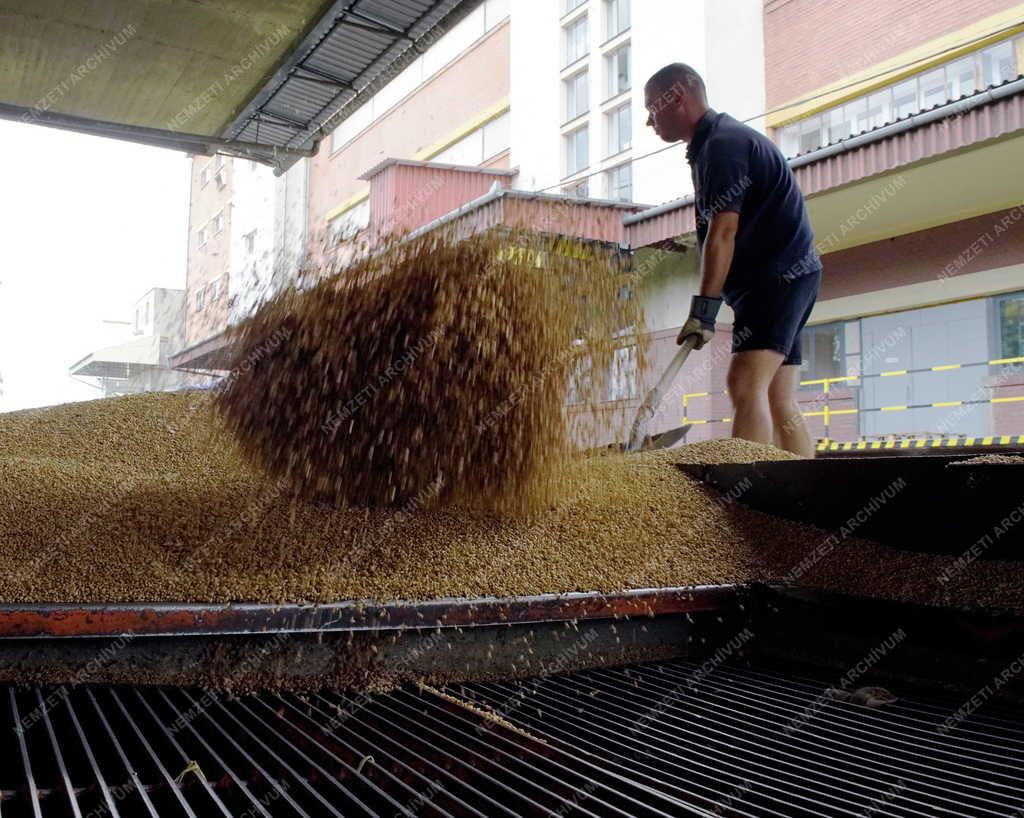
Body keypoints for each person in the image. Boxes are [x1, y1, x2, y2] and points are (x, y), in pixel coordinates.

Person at [644, 63, 821, 457]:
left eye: (651, 109)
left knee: (745, 385)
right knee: (778, 395)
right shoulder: (717, 143)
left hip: (775, 280)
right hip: (788, 277)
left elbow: (723, 233)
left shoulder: (722, 146)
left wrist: (704, 310)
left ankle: (748, 500)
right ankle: (803, 495)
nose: (648, 121)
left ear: (676, 98)